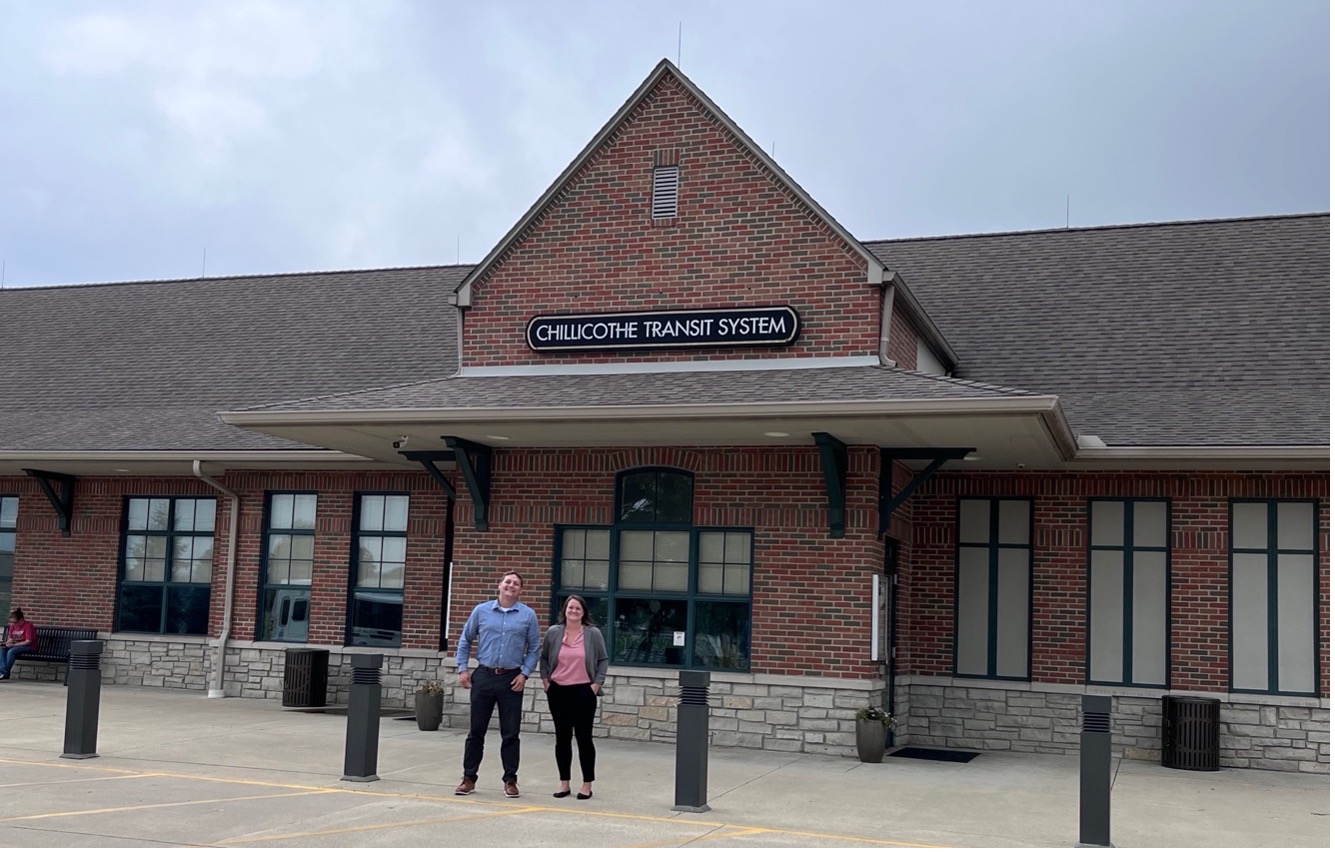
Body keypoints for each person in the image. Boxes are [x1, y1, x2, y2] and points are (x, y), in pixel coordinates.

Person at [454, 571, 541, 798]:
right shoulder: (481, 611)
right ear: (499, 586)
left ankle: (510, 780)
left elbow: (534, 649)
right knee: (476, 732)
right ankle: (468, 778)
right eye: (507, 582)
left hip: (511, 679)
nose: (511, 586)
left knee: (510, 733)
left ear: (520, 590)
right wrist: (463, 668)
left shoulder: (528, 615)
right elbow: (465, 639)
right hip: (483, 676)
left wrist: (524, 674)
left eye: (516, 584)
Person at [540, 594, 608, 800]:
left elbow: (603, 660)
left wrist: (596, 685)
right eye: (570, 608)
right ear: (565, 611)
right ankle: (564, 783)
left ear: (583, 612)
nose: (574, 611)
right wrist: (546, 682)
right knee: (562, 739)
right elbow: (544, 659)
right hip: (558, 691)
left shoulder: (593, 633)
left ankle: (587, 784)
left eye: (578, 608)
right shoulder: (553, 632)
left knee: (584, 738)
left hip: (584, 692)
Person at [0, 608, 37, 681]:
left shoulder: (28, 626)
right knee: (2, 649)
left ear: (21, 619)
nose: (14, 624)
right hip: (16, 645)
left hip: (29, 647)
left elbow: (28, 641)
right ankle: (3, 672)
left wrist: (13, 645)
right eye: (12, 622)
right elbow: (11, 638)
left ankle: (5, 673)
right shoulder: (13, 626)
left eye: (15, 622)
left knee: (11, 651)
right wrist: (5, 643)